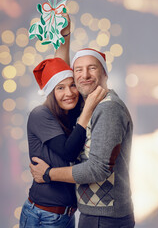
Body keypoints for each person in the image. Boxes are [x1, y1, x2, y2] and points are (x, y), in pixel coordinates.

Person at [30, 14, 135, 228]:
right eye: (79, 70)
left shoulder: (108, 108)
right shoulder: (87, 104)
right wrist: (65, 36)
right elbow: (61, 78)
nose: (84, 75)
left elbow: (97, 169)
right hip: (96, 213)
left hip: (105, 217)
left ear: (105, 73)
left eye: (92, 68)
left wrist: (48, 174)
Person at [19, 54, 106, 228]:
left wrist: (65, 36)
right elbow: (69, 151)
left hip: (66, 215)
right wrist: (88, 109)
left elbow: (62, 64)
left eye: (72, 85)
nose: (69, 93)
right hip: (43, 215)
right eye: (60, 88)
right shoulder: (40, 114)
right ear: (51, 91)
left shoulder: (68, 113)